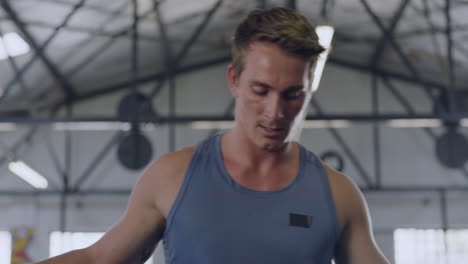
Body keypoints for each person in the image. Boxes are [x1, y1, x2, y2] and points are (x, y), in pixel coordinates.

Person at [36, 7, 390, 264]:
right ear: (234, 80)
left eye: (292, 94)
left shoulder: (338, 194)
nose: (275, 111)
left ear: (308, 88)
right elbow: (99, 260)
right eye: (260, 90)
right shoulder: (172, 177)